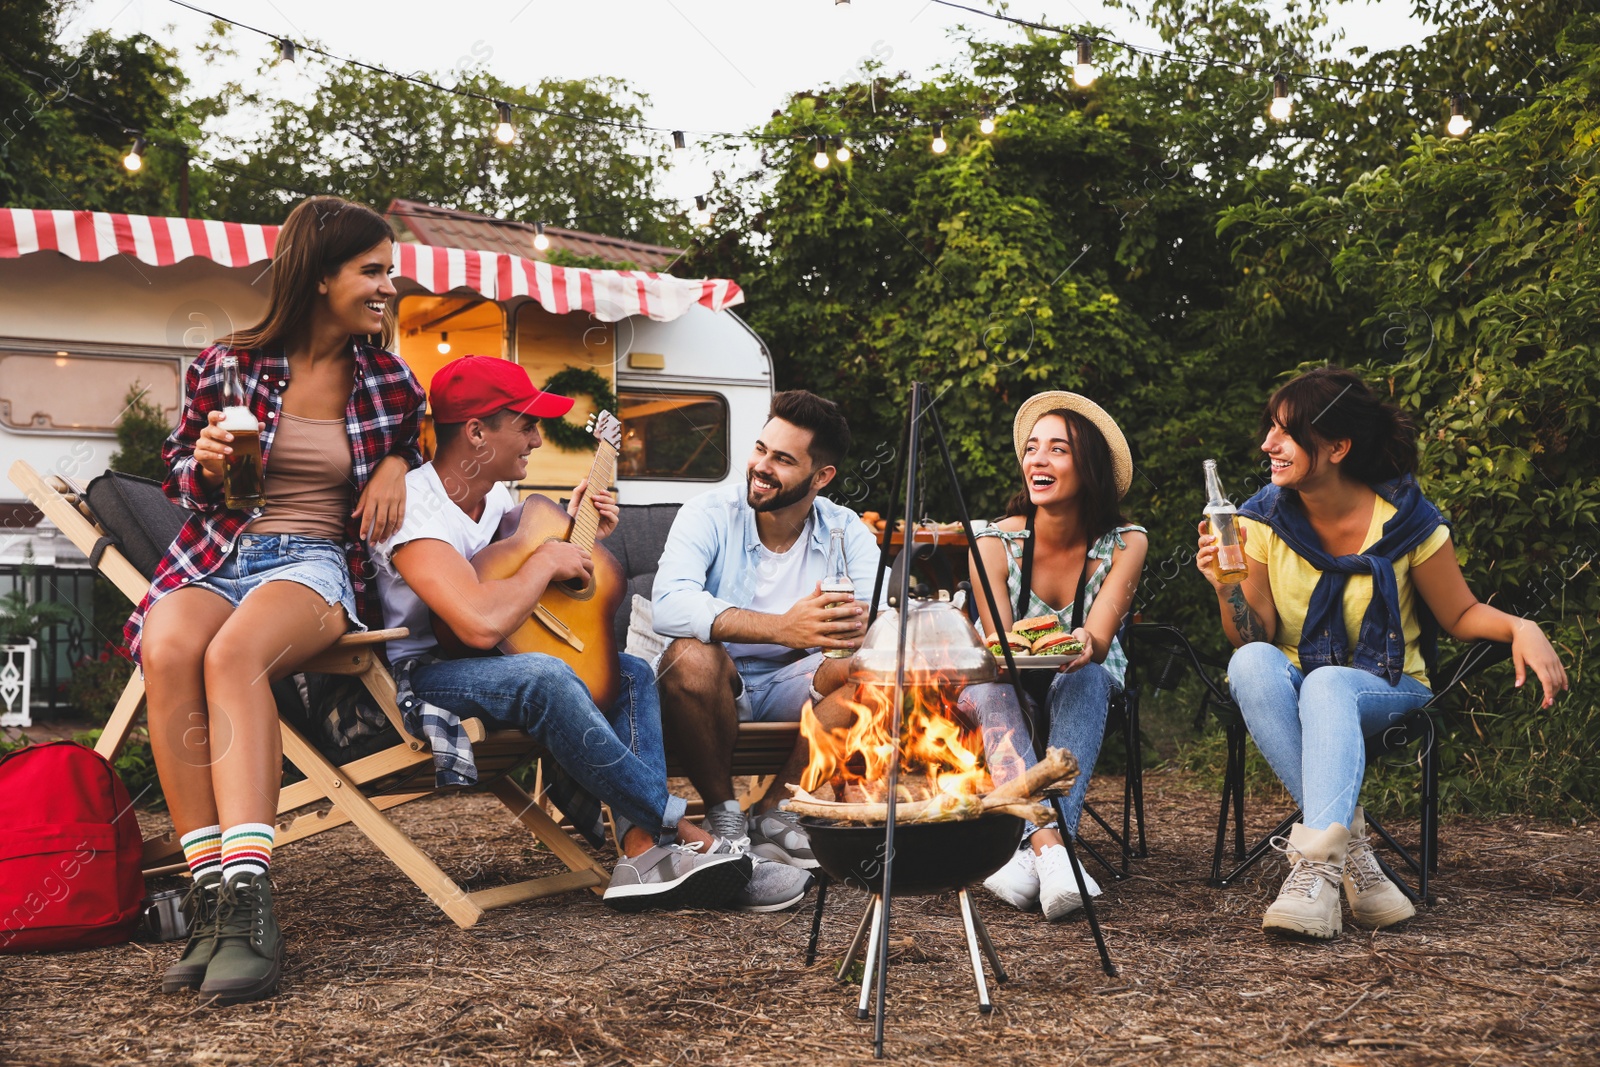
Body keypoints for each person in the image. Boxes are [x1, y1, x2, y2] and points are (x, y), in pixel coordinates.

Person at [128, 196, 425, 1004]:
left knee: (233, 654)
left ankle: (254, 903)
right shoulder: (225, 366)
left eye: (387, 272)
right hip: (219, 550)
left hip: (314, 562)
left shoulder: (391, 379)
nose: (387, 287)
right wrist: (208, 462)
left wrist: (397, 463)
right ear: (321, 275)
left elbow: (410, 440)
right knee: (169, 645)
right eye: (373, 271)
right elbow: (181, 482)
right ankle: (211, 901)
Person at [368, 355, 771, 913]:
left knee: (628, 671)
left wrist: (577, 536)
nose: (537, 438)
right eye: (526, 424)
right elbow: (479, 624)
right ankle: (684, 830)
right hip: (428, 676)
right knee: (547, 675)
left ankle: (639, 856)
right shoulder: (415, 506)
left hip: (499, 664)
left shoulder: (498, 502)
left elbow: (521, 597)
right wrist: (544, 562)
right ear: (477, 432)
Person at [1196, 367, 1569, 940]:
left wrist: (1522, 626)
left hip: (1388, 683)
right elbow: (1255, 636)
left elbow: (1460, 614)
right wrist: (1227, 584)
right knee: (1249, 664)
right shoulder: (1260, 521)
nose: (1268, 444)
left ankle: (1318, 873)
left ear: (1337, 448)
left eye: (1285, 432)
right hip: (1297, 674)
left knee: (1328, 684)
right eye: (1269, 428)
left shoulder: (1409, 523)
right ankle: (1353, 860)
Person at [652, 390, 878, 876]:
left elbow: (867, 623)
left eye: (782, 459)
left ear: (822, 477)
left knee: (878, 673)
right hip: (709, 689)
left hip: (798, 686)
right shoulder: (708, 513)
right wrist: (782, 628)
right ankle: (726, 818)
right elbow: (668, 605)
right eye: (760, 449)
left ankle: (776, 813)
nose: (761, 466)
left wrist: (862, 631)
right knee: (690, 653)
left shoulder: (847, 531)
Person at [965, 392, 1148, 921]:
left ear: (1088, 465)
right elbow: (996, 648)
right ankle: (1051, 846)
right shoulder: (993, 543)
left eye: (1057, 449)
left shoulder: (1125, 542)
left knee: (1084, 679)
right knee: (991, 689)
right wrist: (1004, 653)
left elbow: (1098, 638)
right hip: (1000, 684)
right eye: (1031, 448)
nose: (1037, 460)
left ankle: (1031, 853)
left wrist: (1084, 644)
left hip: (1087, 680)